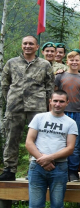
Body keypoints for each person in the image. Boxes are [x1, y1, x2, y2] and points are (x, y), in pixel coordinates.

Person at [23, 90, 78, 208]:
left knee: (58, 205)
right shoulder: (39, 118)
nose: (58, 104)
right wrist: (42, 159)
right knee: (36, 205)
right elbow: (29, 141)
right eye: (55, 101)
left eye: (61, 101)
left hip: (59, 168)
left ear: (67, 103)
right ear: (50, 101)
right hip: (37, 167)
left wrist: (50, 159)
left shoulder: (70, 122)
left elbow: (70, 148)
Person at [0, 35, 54, 181]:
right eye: (25, 43)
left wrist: (48, 106)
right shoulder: (11, 63)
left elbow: (50, 87)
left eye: (31, 44)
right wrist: (11, 99)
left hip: (37, 106)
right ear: (22, 45)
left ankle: (34, 169)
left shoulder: (45, 65)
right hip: (14, 106)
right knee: (12, 137)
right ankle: (9, 169)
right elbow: (5, 85)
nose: (28, 46)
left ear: (37, 47)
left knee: (38, 138)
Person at [54, 50, 80, 182]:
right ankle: (60, 169)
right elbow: (54, 96)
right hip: (61, 112)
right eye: (71, 60)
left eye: (77, 60)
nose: (74, 62)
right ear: (67, 62)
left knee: (75, 143)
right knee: (59, 141)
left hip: (78, 113)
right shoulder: (60, 77)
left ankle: (73, 171)